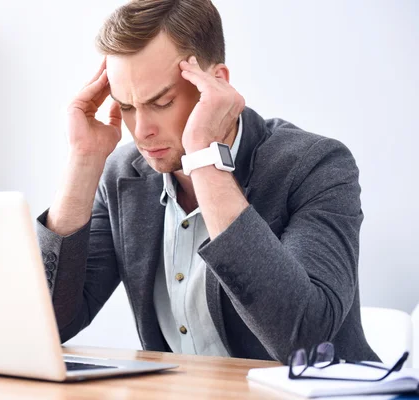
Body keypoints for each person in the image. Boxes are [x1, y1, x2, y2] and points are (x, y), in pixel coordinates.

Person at [36, 0, 379, 363]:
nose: (141, 131)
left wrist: (205, 159)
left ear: (216, 84)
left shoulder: (316, 165)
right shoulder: (124, 174)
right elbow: (47, 326)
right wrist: (84, 160)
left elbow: (305, 342)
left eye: (162, 102)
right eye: (127, 107)